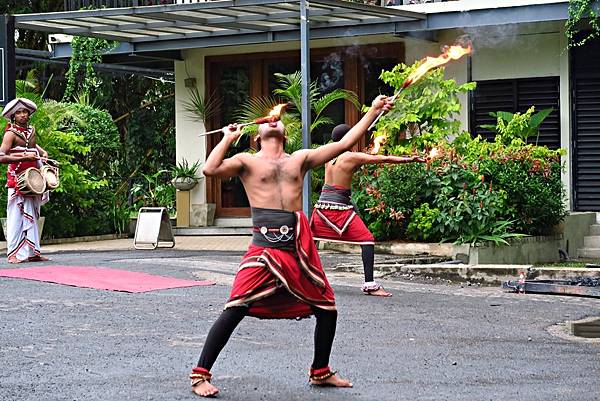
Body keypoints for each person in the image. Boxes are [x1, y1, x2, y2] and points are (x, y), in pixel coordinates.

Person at [189, 95, 394, 397]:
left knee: (327, 308)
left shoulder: (300, 159)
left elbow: (344, 143)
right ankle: (200, 374)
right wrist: (227, 138)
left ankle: (320, 372)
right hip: (264, 246)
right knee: (236, 307)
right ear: (256, 137)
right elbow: (209, 169)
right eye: (267, 122)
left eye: (278, 121)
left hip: (296, 247)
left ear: (284, 134)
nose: (273, 119)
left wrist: (374, 111)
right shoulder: (246, 161)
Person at [310, 124, 424, 297]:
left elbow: (362, 159)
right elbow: (383, 160)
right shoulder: (351, 157)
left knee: (312, 241)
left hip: (321, 208)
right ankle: (370, 284)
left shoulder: (328, 156)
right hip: (339, 209)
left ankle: (309, 280)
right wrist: (409, 159)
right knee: (367, 240)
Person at [0, 98, 50, 264]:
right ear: (13, 116)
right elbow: (1, 156)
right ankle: (13, 253)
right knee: (16, 216)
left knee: (33, 215)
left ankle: (33, 252)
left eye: (25, 112)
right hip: (17, 180)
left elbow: (33, 147)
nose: (22, 115)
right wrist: (23, 156)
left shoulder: (31, 130)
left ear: (29, 114)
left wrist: (42, 152)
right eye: (19, 113)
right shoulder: (10, 134)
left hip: (33, 179)